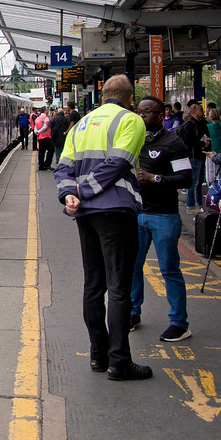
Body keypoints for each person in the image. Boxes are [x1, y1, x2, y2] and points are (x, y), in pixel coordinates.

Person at [53, 74, 151, 381]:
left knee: (94, 286)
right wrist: (82, 191)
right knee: (119, 287)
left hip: (85, 215)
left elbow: (64, 166)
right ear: (130, 97)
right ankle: (119, 361)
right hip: (116, 211)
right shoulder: (131, 121)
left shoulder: (80, 124)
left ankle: (98, 355)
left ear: (103, 94)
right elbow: (118, 164)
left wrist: (70, 194)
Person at [130, 96, 193, 342]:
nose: (142, 115)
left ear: (160, 115)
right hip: (138, 214)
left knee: (169, 269)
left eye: (147, 112)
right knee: (133, 267)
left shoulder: (173, 143)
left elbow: (186, 178)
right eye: (139, 111)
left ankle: (179, 322)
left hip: (164, 215)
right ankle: (133, 313)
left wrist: (156, 178)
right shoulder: (135, 141)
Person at [180, 102, 211, 212]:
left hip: (201, 155)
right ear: (194, 111)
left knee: (199, 181)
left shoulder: (201, 122)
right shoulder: (190, 124)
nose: (202, 112)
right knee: (194, 181)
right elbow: (187, 141)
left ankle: (199, 204)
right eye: (200, 110)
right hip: (193, 156)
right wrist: (202, 144)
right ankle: (191, 205)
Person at [35, 106, 54, 171]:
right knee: (51, 149)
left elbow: (35, 127)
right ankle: (47, 164)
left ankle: (41, 166)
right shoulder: (46, 118)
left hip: (40, 137)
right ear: (45, 111)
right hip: (46, 137)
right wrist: (39, 132)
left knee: (41, 151)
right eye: (47, 110)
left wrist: (36, 132)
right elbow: (45, 126)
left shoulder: (37, 118)